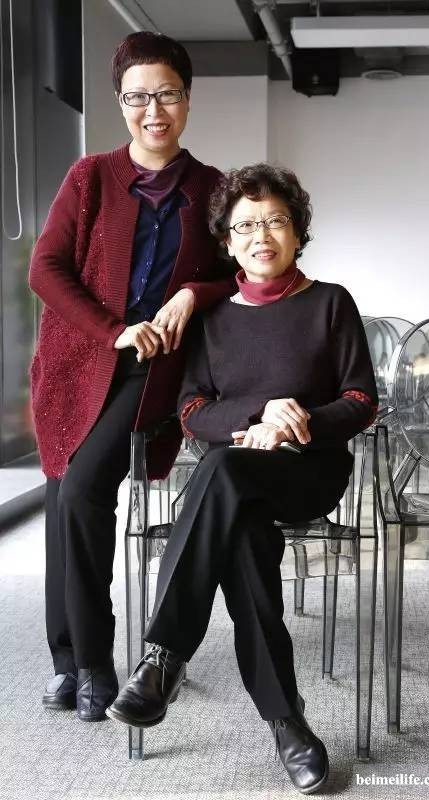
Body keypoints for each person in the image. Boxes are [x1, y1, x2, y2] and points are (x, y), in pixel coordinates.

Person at [107, 164, 378, 794]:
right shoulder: (214, 319)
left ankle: (164, 657)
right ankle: (288, 723)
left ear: (298, 232)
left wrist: (298, 421)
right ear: (227, 242)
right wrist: (258, 414)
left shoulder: (330, 302)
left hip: (308, 471)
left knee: (223, 469)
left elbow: (362, 400)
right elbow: (193, 412)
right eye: (246, 225)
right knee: (245, 537)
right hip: (235, 481)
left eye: (276, 220)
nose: (262, 235)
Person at [28, 32, 235, 722]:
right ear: (121, 104)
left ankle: (93, 661)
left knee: (84, 487)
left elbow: (239, 273)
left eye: (167, 94)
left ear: (187, 99)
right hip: (78, 363)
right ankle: (65, 660)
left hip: (155, 372)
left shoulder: (212, 189)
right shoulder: (89, 177)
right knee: (62, 496)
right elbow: (45, 269)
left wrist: (192, 294)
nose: (153, 110)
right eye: (138, 97)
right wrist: (110, 329)